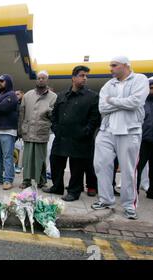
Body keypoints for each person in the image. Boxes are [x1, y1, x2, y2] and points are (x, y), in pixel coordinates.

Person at [92, 56, 149, 220]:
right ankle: (105, 200)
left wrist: (113, 101)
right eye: (110, 65)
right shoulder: (108, 85)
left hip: (129, 131)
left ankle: (129, 205)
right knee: (101, 165)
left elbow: (136, 102)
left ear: (125, 65)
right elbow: (102, 106)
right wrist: (122, 102)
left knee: (128, 170)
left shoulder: (139, 79)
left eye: (114, 65)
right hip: (107, 130)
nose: (111, 69)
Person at [43, 66, 100, 201]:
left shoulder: (92, 96)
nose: (85, 78)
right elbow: (54, 115)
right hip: (61, 136)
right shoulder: (62, 95)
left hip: (80, 138)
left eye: (86, 76)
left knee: (77, 167)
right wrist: (56, 128)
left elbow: (94, 119)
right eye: (81, 75)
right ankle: (57, 187)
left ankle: (74, 192)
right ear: (73, 78)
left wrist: (86, 132)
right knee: (55, 161)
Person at [18, 71, 57, 189]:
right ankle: (26, 181)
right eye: (39, 78)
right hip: (28, 130)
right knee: (27, 158)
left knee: (40, 159)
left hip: (41, 131)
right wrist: (20, 129)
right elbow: (22, 113)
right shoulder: (28, 95)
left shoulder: (53, 97)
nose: (41, 80)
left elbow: (54, 115)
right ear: (36, 80)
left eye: (43, 78)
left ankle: (41, 181)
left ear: (47, 80)